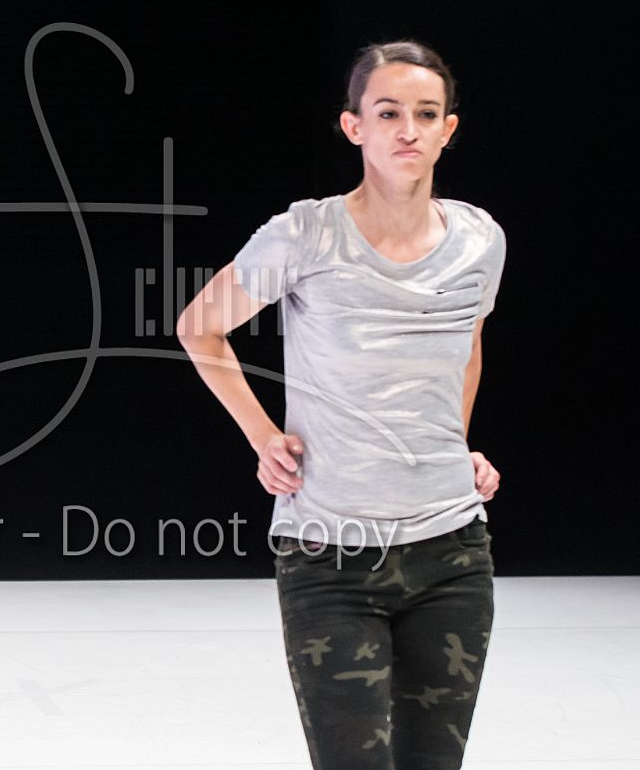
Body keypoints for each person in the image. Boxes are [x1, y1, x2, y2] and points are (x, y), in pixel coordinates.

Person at [177, 40, 505, 769]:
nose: (408, 129)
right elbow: (199, 326)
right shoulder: (305, 234)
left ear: (448, 128)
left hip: (451, 551)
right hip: (330, 553)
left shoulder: (481, 240)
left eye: (427, 114)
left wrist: (454, 445)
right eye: (387, 113)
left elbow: (467, 346)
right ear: (354, 126)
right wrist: (263, 436)